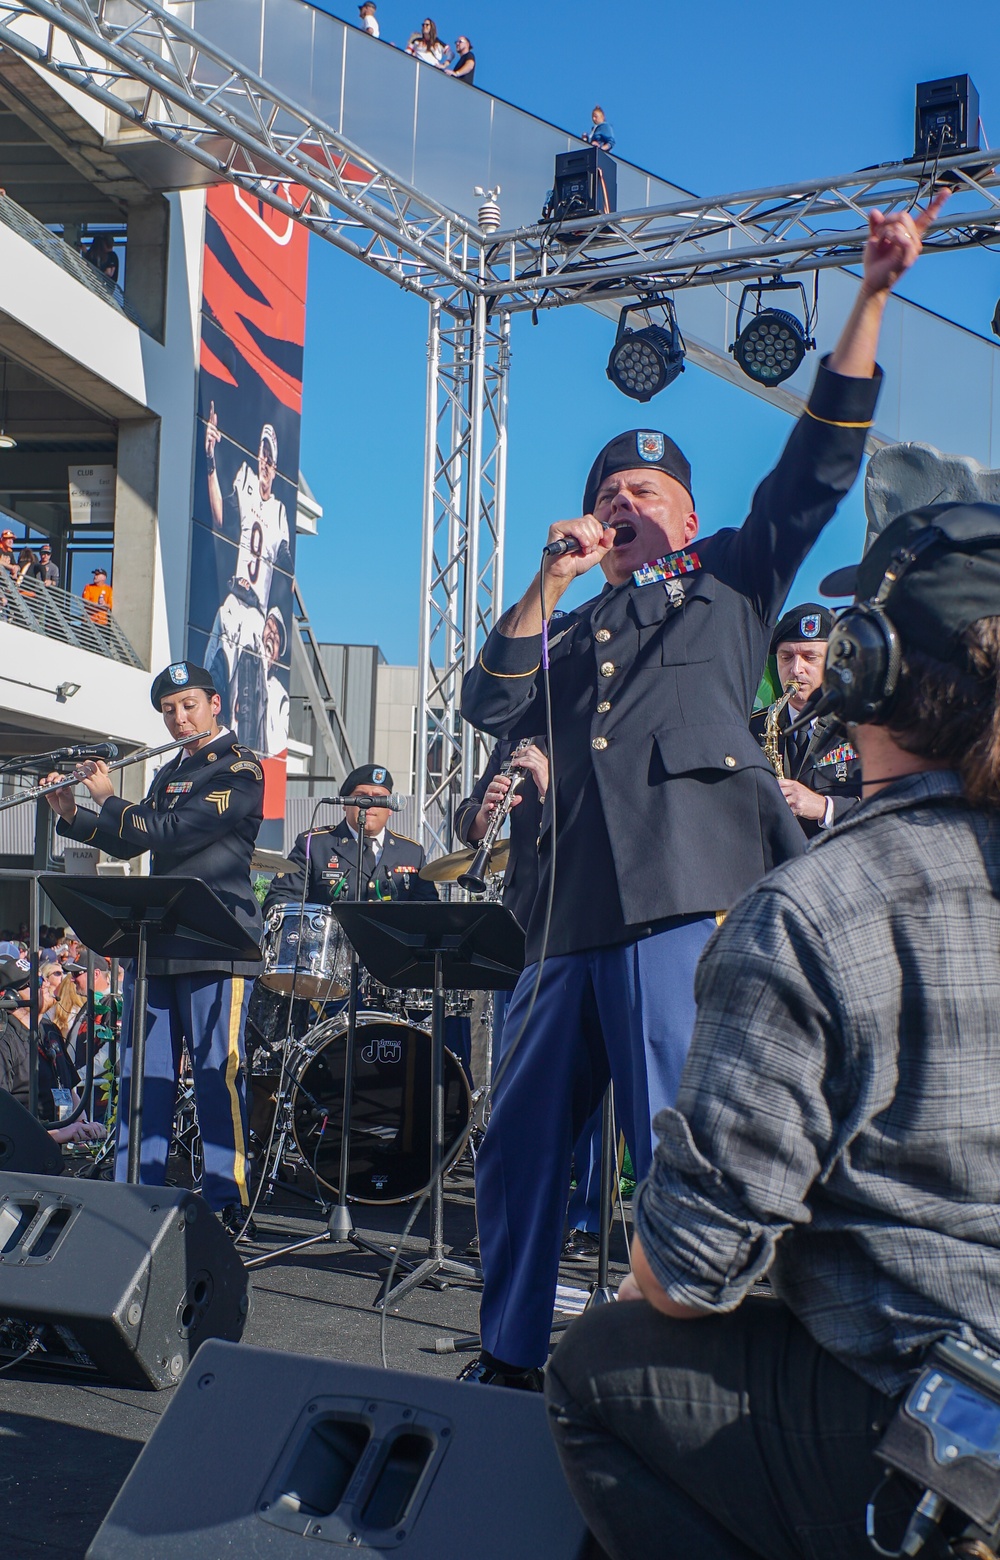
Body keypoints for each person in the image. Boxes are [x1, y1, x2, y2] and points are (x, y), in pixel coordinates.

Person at [458, 192, 946, 1387]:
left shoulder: (730, 578)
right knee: (520, 1146)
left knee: (684, 1139)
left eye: (648, 498)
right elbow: (488, 701)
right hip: (566, 916)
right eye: (609, 497)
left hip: (686, 893)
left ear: (683, 515)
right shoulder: (568, 629)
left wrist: (872, 298)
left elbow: (818, 461)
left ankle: (705, 1371)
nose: (625, 508)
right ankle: (509, 1356)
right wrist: (546, 582)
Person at [547, 500, 1000, 1560]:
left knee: (599, 1361)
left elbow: (688, 1271)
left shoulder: (814, 908)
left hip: (924, 1411)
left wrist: (652, 1269)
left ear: (863, 667)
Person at [43, 661, 264, 1231]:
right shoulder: (170, 772)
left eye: (188, 704)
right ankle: (133, 1196)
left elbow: (172, 833)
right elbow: (135, 834)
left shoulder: (240, 769)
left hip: (218, 942)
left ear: (216, 704)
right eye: (168, 710)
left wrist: (112, 797)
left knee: (218, 1073)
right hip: (159, 938)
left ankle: (226, 1200)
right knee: (144, 1073)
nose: (178, 717)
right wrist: (75, 816)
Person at [456, 741, 605, 1261]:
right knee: (512, 1077)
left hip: (586, 913)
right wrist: (483, 814)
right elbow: (464, 820)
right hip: (522, 919)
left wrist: (552, 784)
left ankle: (586, 1219)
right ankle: (511, 1218)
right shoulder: (515, 739)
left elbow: (616, 810)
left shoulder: (602, 719)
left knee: (589, 1077)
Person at [204, 403, 292, 749]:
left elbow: (287, 570)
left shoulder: (281, 511)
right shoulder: (245, 478)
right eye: (263, 455)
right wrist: (211, 460)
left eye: (271, 458)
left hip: (257, 614)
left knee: (247, 710)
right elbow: (220, 515)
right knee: (208, 679)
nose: (265, 463)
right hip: (233, 600)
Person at [750, 602, 862, 837]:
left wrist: (824, 808)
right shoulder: (752, 727)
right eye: (786, 657)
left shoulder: (864, 726)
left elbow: (889, 809)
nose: (796, 669)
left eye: (810, 657)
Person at [265, 764, 438, 913]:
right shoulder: (314, 844)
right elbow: (281, 900)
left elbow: (429, 912)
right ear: (345, 803)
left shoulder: (412, 852)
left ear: (390, 808)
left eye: (379, 798)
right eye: (361, 796)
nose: (370, 804)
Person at [0, 955, 105, 1143]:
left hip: (59, 1149)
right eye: (36, 982)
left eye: (43, 979)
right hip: (22, 1152)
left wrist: (82, 1125)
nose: (46, 984)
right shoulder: (4, 1041)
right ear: (11, 996)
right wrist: (60, 1134)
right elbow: (5, 1117)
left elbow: (70, 1089)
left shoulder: (49, 1030)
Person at [261, 605, 290, 756]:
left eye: (277, 639)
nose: (272, 635)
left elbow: (276, 748)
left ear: (277, 657)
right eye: (269, 627)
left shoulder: (279, 696)